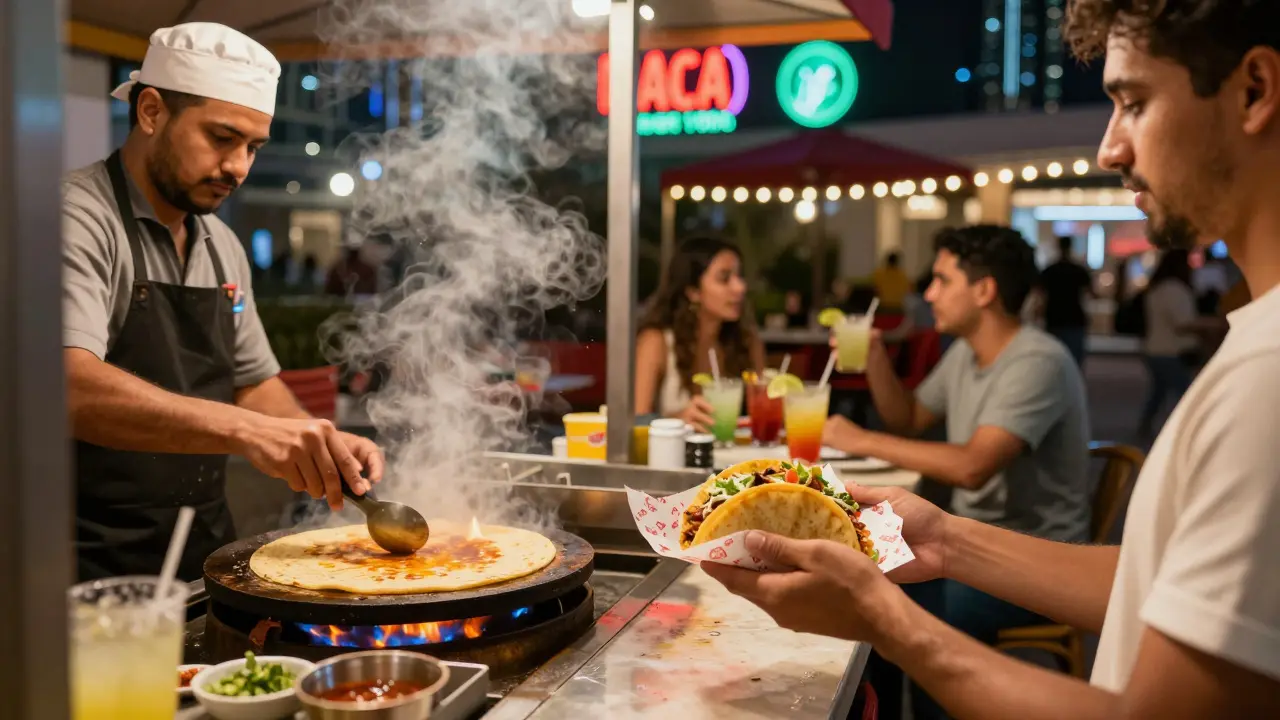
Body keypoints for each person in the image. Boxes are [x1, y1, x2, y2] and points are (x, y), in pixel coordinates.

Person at [705, 2, 1280, 717]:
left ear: (1254, 89)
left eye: (1133, 102)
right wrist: (945, 538)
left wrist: (883, 619)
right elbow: (1158, 580)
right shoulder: (1255, 348)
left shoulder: (1265, 379)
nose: (1110, 149)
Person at [62, 22, 383, 582]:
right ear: (152, 112)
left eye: (253, 147)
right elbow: (70, 387)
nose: (239, 167)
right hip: (80, 558)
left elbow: (251, 382)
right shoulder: (76, 218)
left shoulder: (221, 245)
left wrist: (317, 441)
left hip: (203, 549)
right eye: (221, 138)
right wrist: (248, 432)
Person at [824, 225, 1091, 720]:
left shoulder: (1038, 361)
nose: (929, 293)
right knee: (867, 584)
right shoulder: (965, 353)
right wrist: (876, 358)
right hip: (970, 543)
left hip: (1034, 558)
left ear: (984, 290)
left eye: (942, 280)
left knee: (889, 604)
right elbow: (908, 418)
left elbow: (972, 468)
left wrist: (859, 439)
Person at [634, 237, 764, 430]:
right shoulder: (656, 341)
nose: (740, 287)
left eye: (739, 276)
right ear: (693, 291)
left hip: (736, 457)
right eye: (724, 278)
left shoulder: (746, 341)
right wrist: (678, 420)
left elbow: (764, 412)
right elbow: (635, 420)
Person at [1138, 248, 1204, 438]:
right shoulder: (1175, 289)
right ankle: (1186, 433)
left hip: (1154, 348)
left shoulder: (1156, 288)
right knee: (1185, 396)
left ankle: (1146, 426)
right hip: (1171, 350)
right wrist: (1209, 324)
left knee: (1159, 392)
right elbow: (1182, 323)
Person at [1039, 235, 1095, 367]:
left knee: (1054, 361)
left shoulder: (1050, 270)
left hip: (1054, 318)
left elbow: (1040, 295)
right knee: (1075, 362)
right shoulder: (1078, 270)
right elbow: (1091, 293)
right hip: (1074, 318)